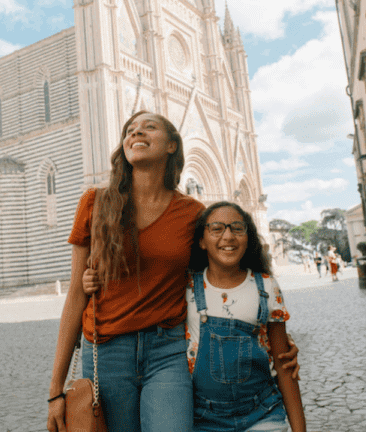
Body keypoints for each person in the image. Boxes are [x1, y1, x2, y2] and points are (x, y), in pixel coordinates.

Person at [49, 111, 299, 432]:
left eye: (148, 127)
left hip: (168, 351)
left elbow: (223, 278)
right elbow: (75, 294)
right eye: (129, 130)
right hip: (106, 351)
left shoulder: (193, 214)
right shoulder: (94, 203)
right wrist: (55, 389)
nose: (135, 133)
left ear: (171, 146)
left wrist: (277, 340)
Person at [186, 202, 306, 432]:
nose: (228, 236)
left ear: (248, 238)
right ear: (202, 241)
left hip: (262, 414)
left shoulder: (267, 287)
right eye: (217, 228)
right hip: (203, 421)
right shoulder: (187, 289)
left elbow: (284, 365)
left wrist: (300, 429)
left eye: (237, 228)